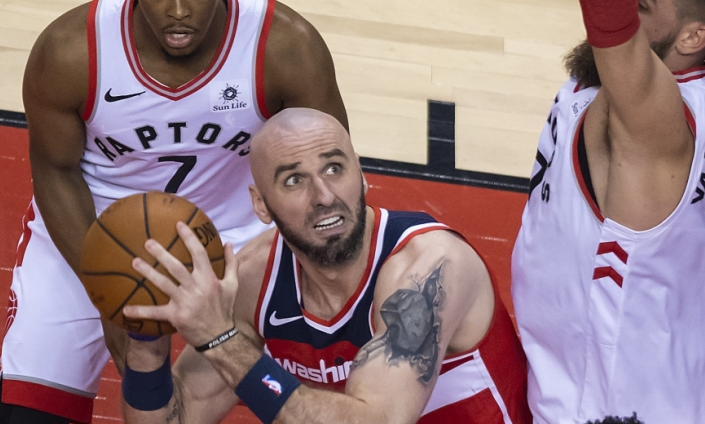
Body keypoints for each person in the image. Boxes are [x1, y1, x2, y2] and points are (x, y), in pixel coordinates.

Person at [0, 0, 348, 422]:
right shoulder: (70, 52)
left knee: (330, 399)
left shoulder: (284, 46)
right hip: (94, 233)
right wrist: (100, 282)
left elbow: (331, 173)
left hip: (240, 239)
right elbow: (56, 174)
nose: (178, 11)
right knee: (26, 417)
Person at [117, 108, 531, 424]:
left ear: (363, 175)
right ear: (261, 204)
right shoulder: (254, 280)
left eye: (334, 169)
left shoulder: (430, 269)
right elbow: (177, 415)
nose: (324, 195)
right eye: (293, 180)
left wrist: (220, 340)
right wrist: (146, 345)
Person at [510, 0, 705, 422]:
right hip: (654, 366)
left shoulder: (649, 120)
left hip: (609, 399)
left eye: (636, 2)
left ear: (693, 36)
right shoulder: (683, 53)